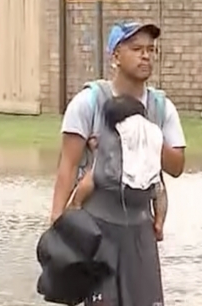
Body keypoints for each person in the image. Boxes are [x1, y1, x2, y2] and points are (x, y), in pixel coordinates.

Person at [48, 21, 185, 306]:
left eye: (150, 50)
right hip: (96, 223)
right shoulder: (89, 102)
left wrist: (148, 137)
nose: (145, 56)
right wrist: (57, 219)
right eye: (136, 48)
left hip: (139, 225)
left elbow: (177, 165)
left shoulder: (160, 108)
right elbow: (68, 165)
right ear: (115, 56)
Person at [68, 94, 170, 242]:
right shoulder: (149, 137)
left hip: (112, 184)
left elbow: (96, 145)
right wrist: (158, 221)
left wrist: (93, 145)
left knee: (91, 175)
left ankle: (75, 205)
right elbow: (159, 190)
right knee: (159, 187)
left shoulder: (111, 136)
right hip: (143, 190)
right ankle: (159, 223)